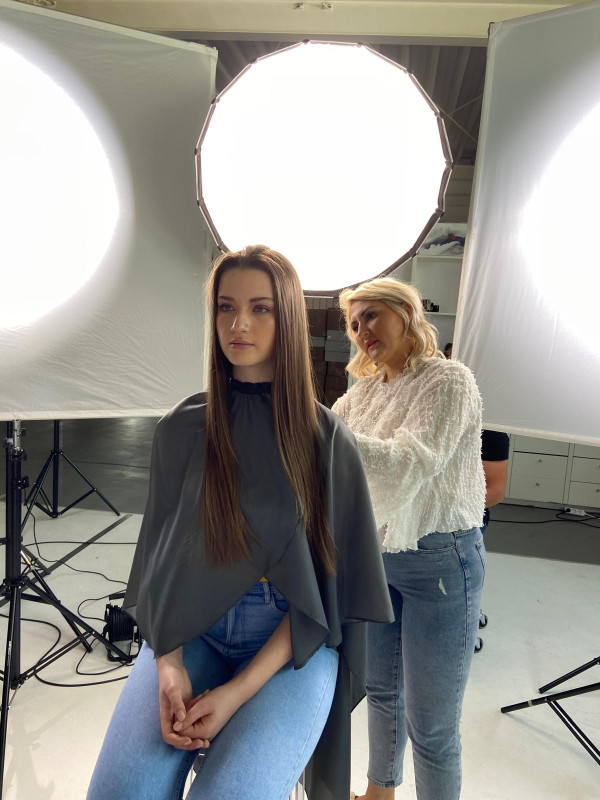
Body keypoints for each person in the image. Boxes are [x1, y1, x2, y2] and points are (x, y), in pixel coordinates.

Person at [87, 246, 393, 800]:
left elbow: (323, 597)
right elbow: (159, 562)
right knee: (119, 793)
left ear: (288, 318)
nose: (238, 324)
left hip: (287, 645)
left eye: (260, 308)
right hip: (192, 631)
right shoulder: (182, 428)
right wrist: (168, 665)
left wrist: (235, 694)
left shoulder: (326, 442)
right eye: (226, 307)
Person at [331, 277, 486, 800]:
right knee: (381, 690)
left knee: (432, 724)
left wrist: (321, 431)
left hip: (442, 563)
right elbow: (324, 454)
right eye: (354, 323)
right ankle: (380, 793)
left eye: (372, 315)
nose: (362, 331)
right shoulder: (363, 393)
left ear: (406, 312)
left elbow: (405, 465)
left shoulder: (449, 381)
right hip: (380, 559)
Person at [474, 429, 509, 651]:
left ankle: (468, 624)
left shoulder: (492, 432)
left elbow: (495, 491)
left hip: (465, 522)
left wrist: (446, 510)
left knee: (466, 580)